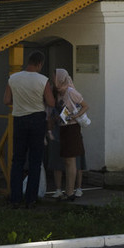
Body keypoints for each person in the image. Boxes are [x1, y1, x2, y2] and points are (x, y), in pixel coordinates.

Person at [4, 50, 54, 208]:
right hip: (37, 120)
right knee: (35, 160)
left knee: (17, 160)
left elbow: (6, 100)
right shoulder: (43, 80)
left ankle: (15, 197)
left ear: (29, 61)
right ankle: (31, 198)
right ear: (40, 64)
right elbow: (51, 103)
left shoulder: (14, 78)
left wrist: (19, 103)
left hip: (19, 119)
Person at [47, 68, 89, 201]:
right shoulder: (58, 93)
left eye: (55, 77)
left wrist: (75, 116)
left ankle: (70, 192)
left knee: (71, 161)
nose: (53, 80)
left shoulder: (70, 91)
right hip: (63, 128)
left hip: (72, 128)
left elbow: (85, 106)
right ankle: (67, 191)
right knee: (66, 160)